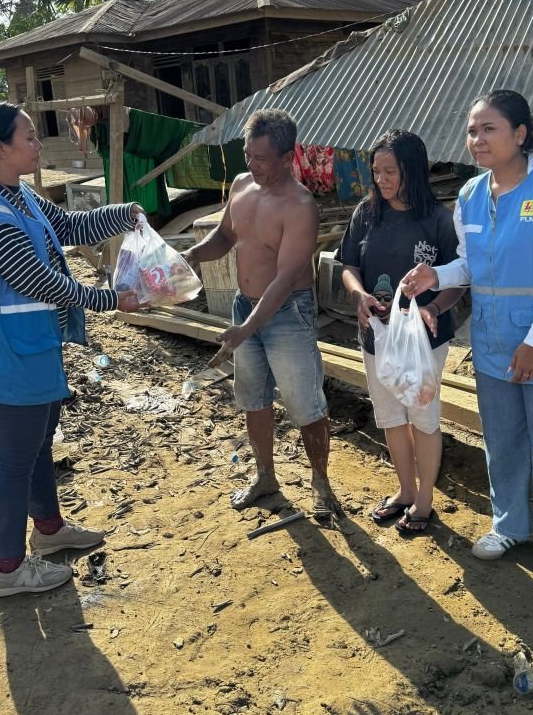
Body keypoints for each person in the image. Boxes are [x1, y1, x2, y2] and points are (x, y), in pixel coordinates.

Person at [0, 100, 142, 598]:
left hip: (33, 346)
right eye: (28, 137)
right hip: (9, 354)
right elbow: (38, 282)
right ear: (1, 147)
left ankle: (48, 532)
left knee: (37, 446)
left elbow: (68, 227)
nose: (36, 144)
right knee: (13, 462)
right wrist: (111, 299)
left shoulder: (18, 196)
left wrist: (125, 213)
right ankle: (8, 570)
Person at [402, 90, 533, 591]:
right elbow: (471, 265)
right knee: (503, 444)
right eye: (472, 130)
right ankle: (510, 526)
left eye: (489, 129)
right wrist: (436, 276)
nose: (477, 139)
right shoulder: (470, 195)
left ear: (520, 134)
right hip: (492, 344)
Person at [182, 109, 340, 518]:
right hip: (244, 305)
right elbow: (226, 235)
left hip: (288, 313)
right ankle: (266, 475)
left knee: (305, 403)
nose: (252, 165)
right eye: (248, 155)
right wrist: (190, 257)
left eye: (262, 158)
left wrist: (246, 329)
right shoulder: (240, 185)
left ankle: (321, 483)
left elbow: (287, 277)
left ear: (289, 157)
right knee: (253, 399)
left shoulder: (301, 206)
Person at [338, 130, 463, 534]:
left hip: (425, 339)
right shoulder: (366, 214)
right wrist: (358, 296)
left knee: (423, 415)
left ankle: (425, 498)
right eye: (376, 171)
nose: (382, 180)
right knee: (391, 414)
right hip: (378, 334)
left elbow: (459, 279)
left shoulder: (438, 220)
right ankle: (405, 490)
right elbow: (349, 265)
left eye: (391, 171)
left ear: (412, 170)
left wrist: (433, 307)